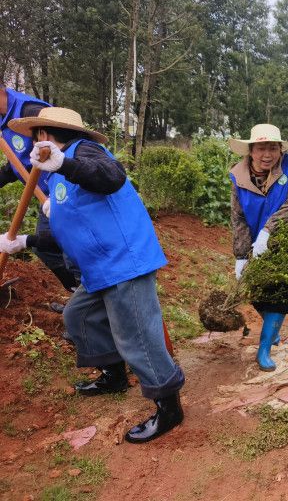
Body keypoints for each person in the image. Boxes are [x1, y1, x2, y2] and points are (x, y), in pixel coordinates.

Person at [0, 107, 184, 443]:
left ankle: (169, 406)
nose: (31, 144)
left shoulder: (84, 152)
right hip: (100, 268)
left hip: (123, 263)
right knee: (79, 315)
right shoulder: (57, 174)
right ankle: (114, 375)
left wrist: (65, 165)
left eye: (34, 136)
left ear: (44, 135)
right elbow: (72, 233)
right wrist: (26, 241)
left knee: (138, 338)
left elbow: (112, 177)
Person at [229, 123, 288, 371]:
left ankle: (264, 349)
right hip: (253, 246)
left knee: (280, 296)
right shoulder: (238, 177)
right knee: (257, 295)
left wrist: (268, 231)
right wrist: (240, 255)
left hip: (285, 241)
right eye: (262, 148)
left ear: (281, 149)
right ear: (251, 150)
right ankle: (274, 328)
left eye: (273, 148)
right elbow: (238, 217)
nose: (267, 154)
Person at [0, 87, 80, 303]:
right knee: (47, 248)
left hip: (62, 193)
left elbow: (67, 147)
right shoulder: (3, 121)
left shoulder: (31, 112)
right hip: (46, 197)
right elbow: (18, 165)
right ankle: (82, 298)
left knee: (72, 247)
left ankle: (91, 301)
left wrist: (63, 190)